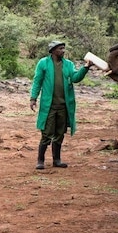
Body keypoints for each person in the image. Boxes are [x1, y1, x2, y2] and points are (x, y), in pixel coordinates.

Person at [29, 40, 93, 170]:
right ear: (52, 51)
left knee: (59, 133)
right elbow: (37, 81)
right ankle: (40, 160)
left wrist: (86, 68)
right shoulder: (43, 63)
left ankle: (56, 160)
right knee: (46, 133)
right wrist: (33, 98)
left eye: (63, 48)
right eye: (60, 49)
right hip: (49, 105)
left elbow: (75, 78)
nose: (63, 51)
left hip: (64, 105)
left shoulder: (68, 64)